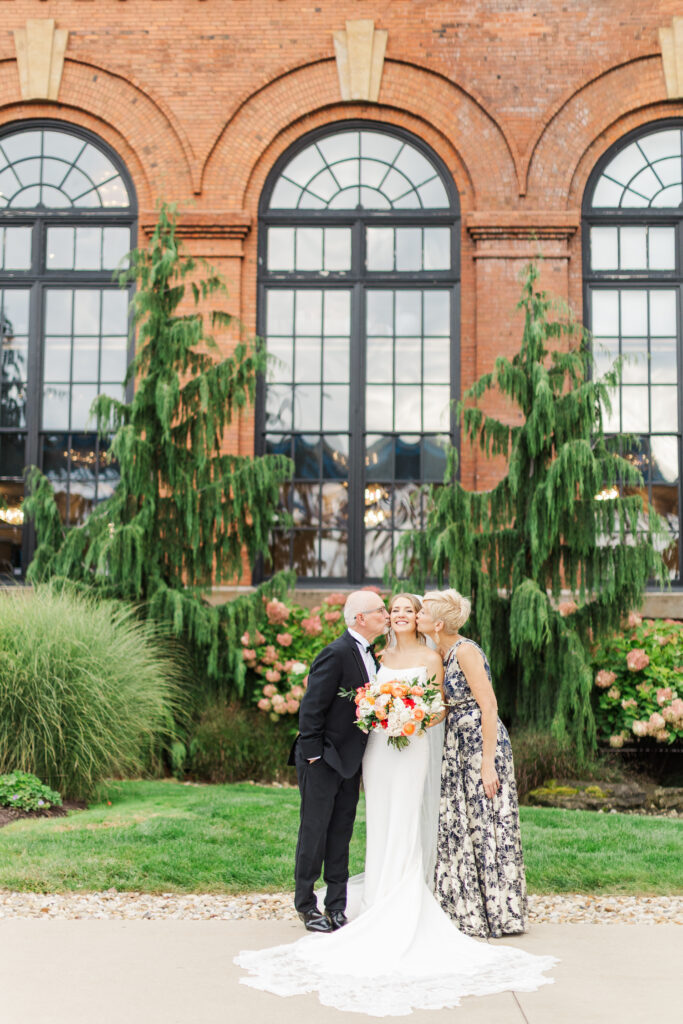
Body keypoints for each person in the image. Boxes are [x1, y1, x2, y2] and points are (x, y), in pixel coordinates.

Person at [236, 593, 556, 1016]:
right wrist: (380, 714)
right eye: (397, 610)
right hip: (378, 750)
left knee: (405, 816)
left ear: (421, 620)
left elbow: (441, 707)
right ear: (382, 620)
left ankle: (400, 896)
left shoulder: (433, 655)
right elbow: (349, 703)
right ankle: (367, 893)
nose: (402, 615)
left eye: (409, 610)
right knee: (377, 818)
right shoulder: (376, 653)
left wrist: (413, 716)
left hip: (413, 747)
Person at [418, 588, 528, 938]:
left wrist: (487, 763)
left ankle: (498, 910)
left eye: (421, 613)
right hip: (457, 744)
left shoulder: (465, 651)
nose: (416, 616)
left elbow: (489, 706)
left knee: (485, 819)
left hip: (481, 743)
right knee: (463, 820)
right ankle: (466, 902)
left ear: (436, 623)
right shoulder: (441, 652)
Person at [287, 589, 390, 933]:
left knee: (341, 833)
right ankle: (305, 905)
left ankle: (336, 905)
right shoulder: (335, 653)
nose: (386, 615)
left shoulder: (371, 656)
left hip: (349, 763)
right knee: (314, 831)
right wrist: (315, 755)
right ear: (360, 618)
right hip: (322, 760)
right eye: (380, 610)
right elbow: (311, 709)